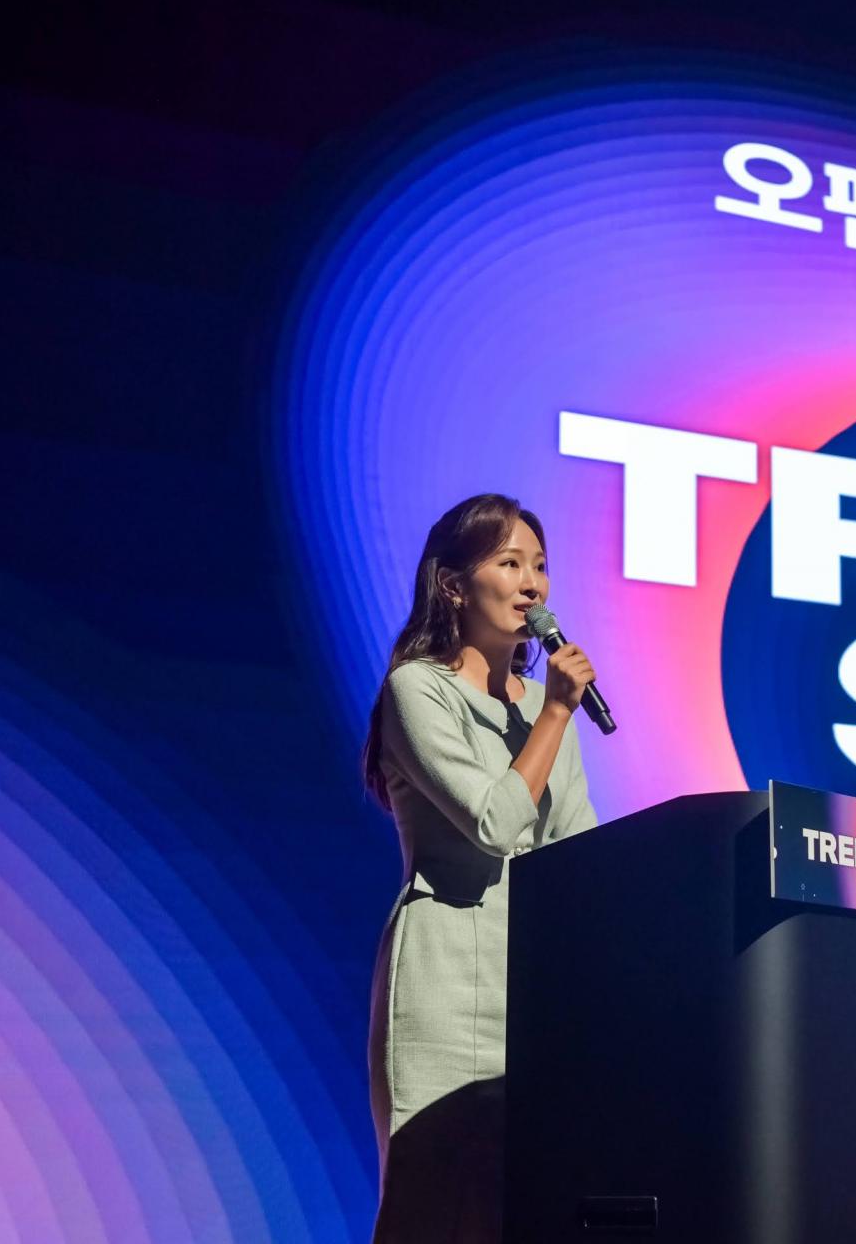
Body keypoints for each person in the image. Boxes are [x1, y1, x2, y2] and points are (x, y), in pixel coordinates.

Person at [360, 493, 600, 1243]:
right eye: (509, 563)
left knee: (520, 1213)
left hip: (532, 987)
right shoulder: (418, 689)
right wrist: (556, 714)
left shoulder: (544, 709)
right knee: (433, 1208)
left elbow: (576, 854)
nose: (532, 584)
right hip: (446, 978)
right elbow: (494, 823)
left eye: (540, 566)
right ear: (455, 585)